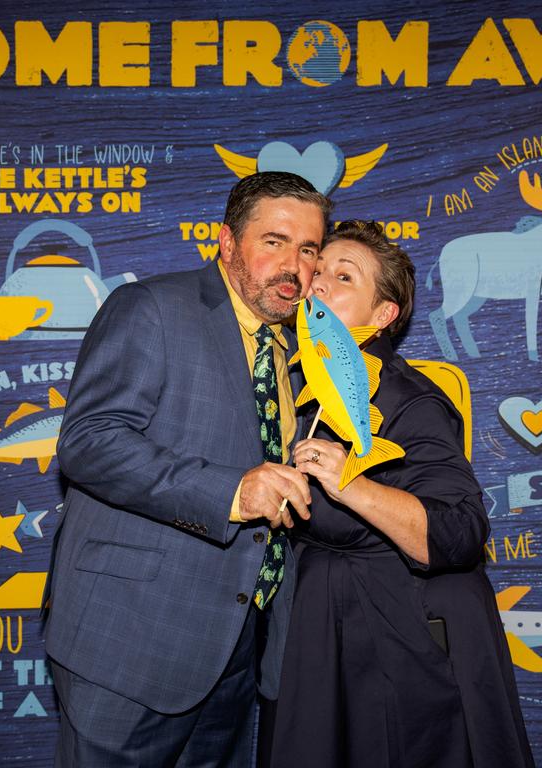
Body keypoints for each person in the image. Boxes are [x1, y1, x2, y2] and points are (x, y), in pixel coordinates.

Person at [45, 172, 331, 766]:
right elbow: (89, 442)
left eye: (308, 250)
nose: (293, 266)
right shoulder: (152, 308)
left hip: (232, 652)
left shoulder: (302, 351)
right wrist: (231, 491)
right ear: (226, 243)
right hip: (128, 641)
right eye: (274, 242)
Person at [270, 221, 535, 768]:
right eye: (316, 271)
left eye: (343, 276)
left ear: (383, 314)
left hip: (401, 640)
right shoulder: (292, 384)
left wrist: (354, 484)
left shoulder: (411, 399)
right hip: (326, 630)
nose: (318, 283)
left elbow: (461, 531)